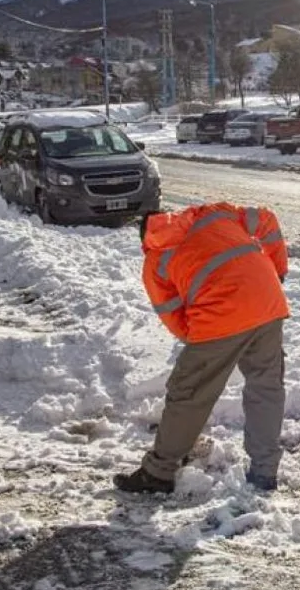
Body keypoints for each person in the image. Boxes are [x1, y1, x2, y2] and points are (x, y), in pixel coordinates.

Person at [117, 202, 290, 494]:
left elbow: (173, 314)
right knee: (266, 387)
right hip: (268, 302)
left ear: (145, 238)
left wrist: (202, 348)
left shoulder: (155, 260)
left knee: (188, 392)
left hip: (219, 315)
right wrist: (277, 270)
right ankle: (265, 472)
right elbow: (268, 220)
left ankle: (158, 474)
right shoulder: (212, 213)